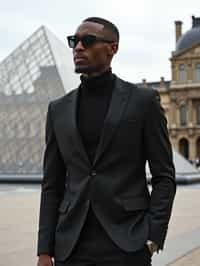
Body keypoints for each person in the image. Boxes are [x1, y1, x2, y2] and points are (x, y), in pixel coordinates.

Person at [37, 17, 176, 266]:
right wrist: (44, 250)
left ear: (113, 48)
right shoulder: (57, 109)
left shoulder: (143, 102)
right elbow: (52, 185)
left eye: (88, 41)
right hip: (71, 245)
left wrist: (153, 235)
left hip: (128, 243)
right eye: (74, 41)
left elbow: (164, 176)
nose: (78, 47)